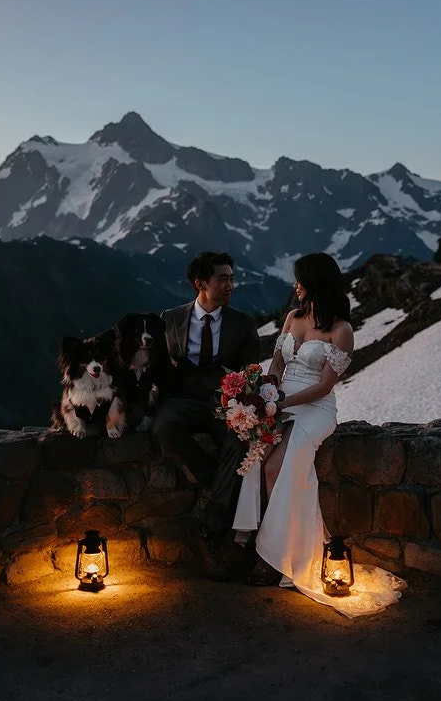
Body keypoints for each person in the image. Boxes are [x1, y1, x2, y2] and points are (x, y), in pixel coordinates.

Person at [232, 252, 405, 618]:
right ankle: (253, 539)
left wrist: (283, 402)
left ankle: (276, 556)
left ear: (315, 284)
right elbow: (277, 365)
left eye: (300, 280)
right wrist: (265, 396)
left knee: (277, 466)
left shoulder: (342, 331)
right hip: (281, 399)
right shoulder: (292, 318)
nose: (295, 287)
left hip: (314, 407)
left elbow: (326, 386)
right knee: (256, 456)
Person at [152, 251, 261, 579]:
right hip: (181, 399)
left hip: (223, 404)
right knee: (163, 426)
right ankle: (220, 488)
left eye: (231, 278)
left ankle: (211, 525)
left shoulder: (243, 323)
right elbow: (157, 366)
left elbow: (252, 372)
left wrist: (234, 395)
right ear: (201, 284)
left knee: (240, 441)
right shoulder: (169, 318)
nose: (230, 285)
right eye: (222, 279)